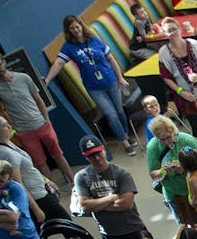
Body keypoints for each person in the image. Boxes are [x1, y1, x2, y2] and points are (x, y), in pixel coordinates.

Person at [45, 15, 135, 155]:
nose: (75, 30)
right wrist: (48, 79)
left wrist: (120, 78)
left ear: (81, 25)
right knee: (111, 115)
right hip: (93, 88)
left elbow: (111, 59)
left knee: (119, 111)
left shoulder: (94, 39)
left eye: (77, 26)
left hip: (110, 81)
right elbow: (59, 63)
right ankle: (124, 141)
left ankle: (126, 134)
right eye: (72, 28)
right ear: (68, 31)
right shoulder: (69, 47)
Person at [74, 136, 147, 239]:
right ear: (85, 157)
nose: (97, 158)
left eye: (98, 153)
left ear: (103, 150)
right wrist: (112, 197)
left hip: (133, 227)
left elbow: (126, 203)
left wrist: (97, 204)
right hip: (110, 233)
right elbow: (85, 205)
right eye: (91, 155)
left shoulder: (121, 173)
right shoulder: (82, 177)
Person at [0, 113, 67, 223]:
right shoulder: (4, 153)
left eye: (8, 124)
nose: (10, 127)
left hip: (40, 192)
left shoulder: (6, 143)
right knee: (67, 226)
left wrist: (46, 180)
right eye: (5, 126)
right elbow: (18, 184)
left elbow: (29, 169)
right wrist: (36, 210)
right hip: (37, 198)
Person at [146, 117, 197, 227]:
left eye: (168, 137)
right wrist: (162, 171)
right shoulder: (153, 147)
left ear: (173, 131)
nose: (167, 142)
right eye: (162, 139)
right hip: (174, 194)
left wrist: (186, 167)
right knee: (187, 229)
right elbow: (153, 174)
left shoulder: (186, 140)